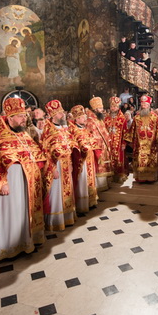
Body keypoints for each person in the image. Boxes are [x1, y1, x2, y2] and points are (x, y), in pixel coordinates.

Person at [0, 97, 46, 260]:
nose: (24, 119)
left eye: (25, 116)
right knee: (10, 213)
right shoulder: (1, 137)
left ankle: (25, 243)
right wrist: (2, 182)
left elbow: (36, 154)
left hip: (27, 182)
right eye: (20, 116)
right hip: (10, 183)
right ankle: (7, 248)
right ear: (10, 117)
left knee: (24, 212)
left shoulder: (24, 135)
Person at [41, 100, 79, 231]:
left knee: (68, 191)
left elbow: (70, 141)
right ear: (53, 115)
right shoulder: (48, 128)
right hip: (56, 165)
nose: (63, 114)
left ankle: (67, 217)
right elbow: (45, 150)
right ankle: (55, 221)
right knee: (56, 193)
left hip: (67, 163)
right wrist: (52, 168)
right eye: (60, 113)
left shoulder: (64, 127)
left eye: (62, 112)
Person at [125, 95, 158, 183]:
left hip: (151, 144)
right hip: (139, 144)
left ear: (149, 105)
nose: (143, 106)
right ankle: (141, 178)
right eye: (142, 104)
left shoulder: (155, 117)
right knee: (140, 160)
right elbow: (132, 130)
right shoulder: (136, 117)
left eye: (145, 104)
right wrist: (129, 141)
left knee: (151, 161)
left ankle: (151, 178)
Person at [69, 105, 98, 213]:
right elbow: (75, 144)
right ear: (76, 119)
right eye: (82, 117)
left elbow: (91, 139)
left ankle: (91, 201)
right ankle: (81, 205)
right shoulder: (73, 129)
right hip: (82, 159)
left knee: (90, 179)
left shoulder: (85, 129)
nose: (85, 119)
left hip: (89, 157)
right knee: (82, 180)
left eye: (85, 117)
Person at [86, 97, 113, 191]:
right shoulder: (90, 120)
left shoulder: (98, 118)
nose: (102, 110)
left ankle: (105, 183)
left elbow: (103, 130)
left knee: (104, 166)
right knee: (99, 166)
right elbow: (91, 134)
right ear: (96, 109)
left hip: (104, 145)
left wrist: (108, 140)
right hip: (98, 147)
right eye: (101, 108)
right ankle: (100, 186)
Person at [104, 96, 128, 183]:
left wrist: (124, 143)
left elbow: (125, 132)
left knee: (119, 158)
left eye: (114, 106)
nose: (112, 108)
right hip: (109, 142)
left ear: (118, 107)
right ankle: (110, 175)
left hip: (118, 143)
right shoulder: (106, 118)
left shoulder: (122, 119)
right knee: (109, 158)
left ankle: (119, 175)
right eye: (111, 106)